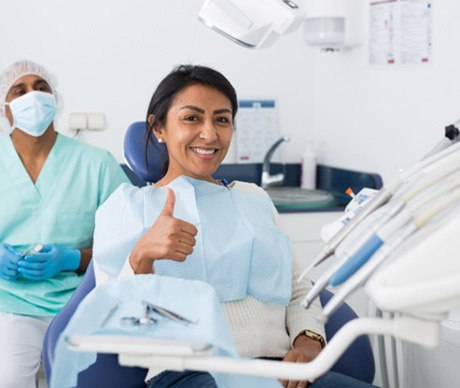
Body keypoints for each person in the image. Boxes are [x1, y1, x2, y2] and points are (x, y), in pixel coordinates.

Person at [92, 64, 378, 388]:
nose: (210, 133)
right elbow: (112, 321)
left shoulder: (253, 198)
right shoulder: (126, 208)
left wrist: (308, 340)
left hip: (282, 372)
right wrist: (141, 257)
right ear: (158, 128)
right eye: (192, 118)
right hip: (188, 374)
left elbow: (298, 288)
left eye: (222, 119)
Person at [0, 59, 130, 388]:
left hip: (81, 299)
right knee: (10, 378)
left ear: (55, 99)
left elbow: (127, 244)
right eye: (20, 90)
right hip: (11, 303)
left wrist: (73, 258)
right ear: (6, 108)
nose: (33, 95)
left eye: (41, 88)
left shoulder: (96, 164)